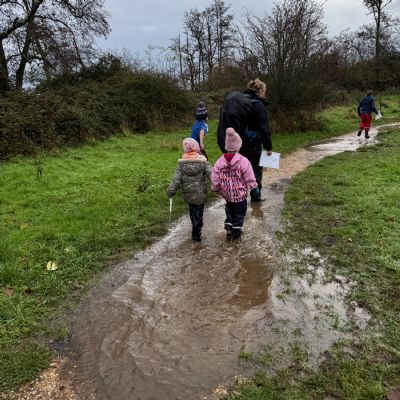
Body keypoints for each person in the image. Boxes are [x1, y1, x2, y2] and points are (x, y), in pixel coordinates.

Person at [217, 79, 272, 202]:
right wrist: (268, 147)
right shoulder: (258, 105)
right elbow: (264, 129)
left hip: (236, 144)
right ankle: (255, 195)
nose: (265, 95)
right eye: (264, 92)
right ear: (260, 91)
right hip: (252, 144)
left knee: (238, 169)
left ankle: (236, 196)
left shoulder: (238, 102)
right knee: (255, 169)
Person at [211, 127, 257, 240]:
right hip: (240, 196)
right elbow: (250, 176)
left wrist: (216, 188)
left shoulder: (219, 162)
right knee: (239, 214)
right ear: (239, 146)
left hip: (227, 195)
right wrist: (254, 187)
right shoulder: (243, 161)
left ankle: (229, 226)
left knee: (230, 210)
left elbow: (214, 177)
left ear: (226, 147)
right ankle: (236, 233)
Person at [167, 138, 212, 242]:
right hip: (200, 196)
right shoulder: (203, 162)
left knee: (192, 212)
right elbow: (212, 175)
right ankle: (197, 232)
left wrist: (171, 191)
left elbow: (176, 180)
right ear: (196, 148)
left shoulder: (181, 165)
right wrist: (219, 185)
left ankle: (195, 228)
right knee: (199, 213)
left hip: (188, 196)